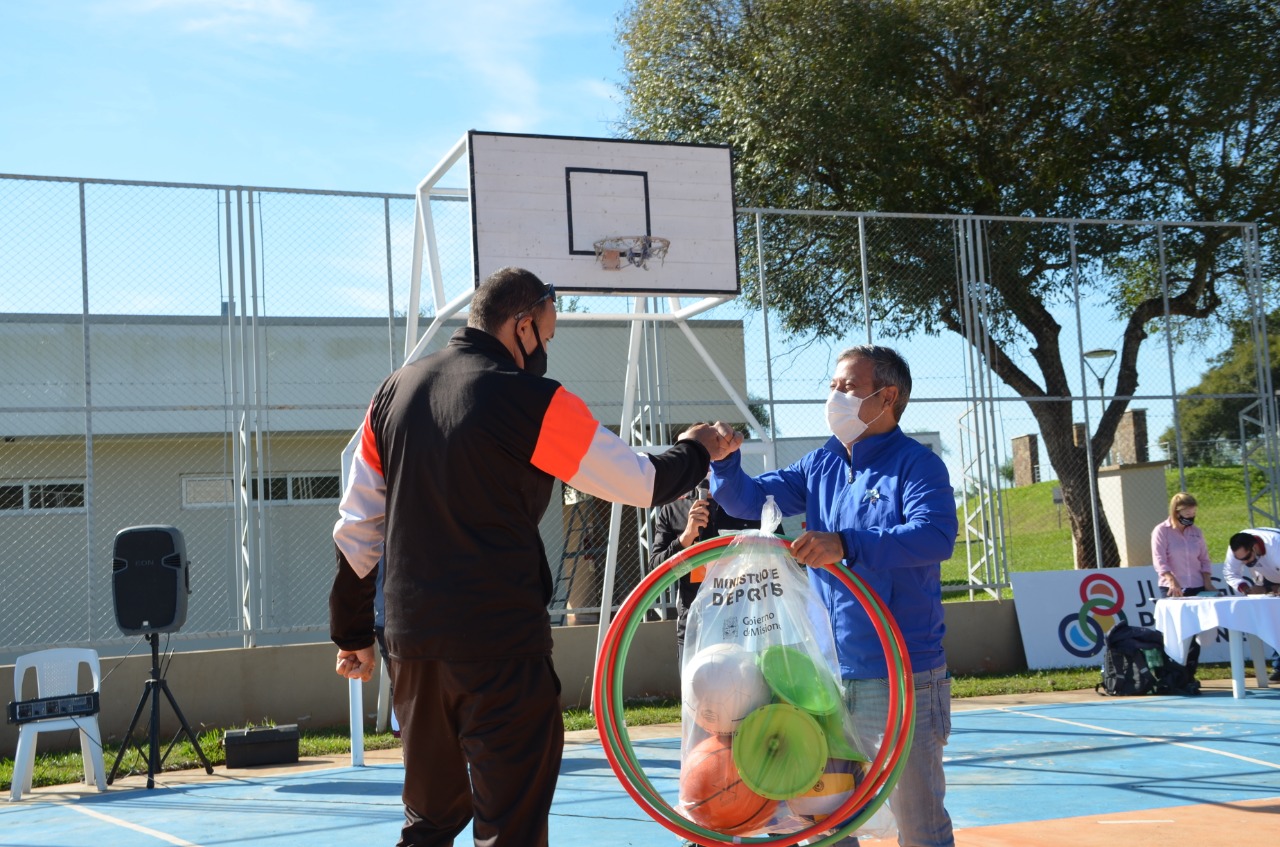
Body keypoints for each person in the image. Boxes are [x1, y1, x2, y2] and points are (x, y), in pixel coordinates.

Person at [329, 266, 738, 847]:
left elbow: (357, 529)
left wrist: (352, 632)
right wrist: (697, 448)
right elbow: (639, 481)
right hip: (498, 643)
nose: (545, 347)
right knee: (511, 826)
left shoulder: (392, 393)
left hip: (412, 645)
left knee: (429, 821)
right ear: (521, 324)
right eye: (545, 334)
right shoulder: (528, 399)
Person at [710, 344, 958, 847]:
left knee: (918, 825)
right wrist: (724, 462)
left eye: (846, 387)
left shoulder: (917, 466)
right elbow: (750, 499)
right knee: (822, 825)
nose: (834, 396)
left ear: (886, 397)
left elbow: (935, 536)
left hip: (901, 675)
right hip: (824, 678)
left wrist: (846, 543)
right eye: (832, 387)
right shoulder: (824, 463)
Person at [649, 476, 762, 667]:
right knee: (695, 695)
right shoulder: (673, 510)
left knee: (746, 694)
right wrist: (686, 537)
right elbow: (657, 572)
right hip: (695, 626)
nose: (709, 468)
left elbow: (776, 555)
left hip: (745, 625)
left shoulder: (749, 505)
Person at [1224, 528, 1280, 682]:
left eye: (1247, 557)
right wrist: (1246, 589)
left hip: (1274, 571)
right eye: (1241, 559)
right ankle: (1279, 666)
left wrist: (1272, 589)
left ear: (1255, 547)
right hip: (1268, 575)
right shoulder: (1237, 549)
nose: (1245, 562)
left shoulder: (1276, 545)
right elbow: (1230, 573)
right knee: (1274, 621)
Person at [1151, 492, 1213, 598]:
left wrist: (1207, 582)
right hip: (1173, 588)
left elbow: (1204, 560)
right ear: (1176, 513)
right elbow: (1159, 560)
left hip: (1197, 586)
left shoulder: (1196, 532)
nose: (1191, 518)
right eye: (1188, 515)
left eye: (1194, 514)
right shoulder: (1162, 531)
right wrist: (1172, 580)